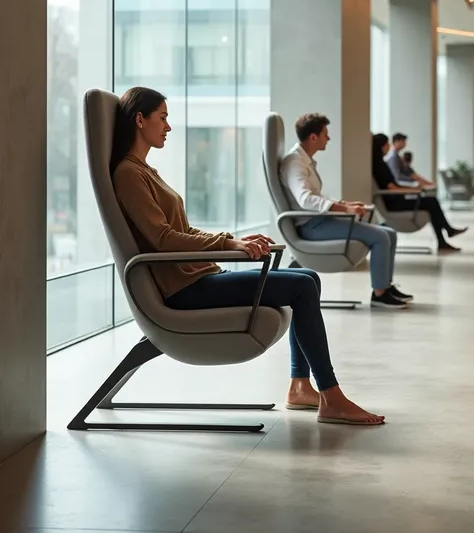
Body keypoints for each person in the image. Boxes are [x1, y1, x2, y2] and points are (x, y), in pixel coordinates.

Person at [110, 87, 385, 426]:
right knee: (302, 287)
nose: (168, 126)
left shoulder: (145, 170)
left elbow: (182, 229)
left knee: (308, 278)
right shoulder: (128, 174)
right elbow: (164, 240)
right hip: (186, 289)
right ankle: (332, 396)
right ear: (140, 119)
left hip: (199, 275)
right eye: (163, 118)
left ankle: (301, 386)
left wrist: (232, 240)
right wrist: (231, 246)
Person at [279, 113, 413, 310]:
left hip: (320, 221)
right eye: (326, 133)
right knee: (381, 236)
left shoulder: (303, 160)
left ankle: (385, 287)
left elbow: (314, 197)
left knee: (389, 234)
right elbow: (305, 199)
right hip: (312, 227)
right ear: (313, 137)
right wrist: (344, 208)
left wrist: (343, 203)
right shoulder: (295, 162)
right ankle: (380, 295)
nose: (329, 137)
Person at [372, 133, 467, 253]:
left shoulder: (380, 163)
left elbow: (394, 185)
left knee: (430, 202)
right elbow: (391, 188)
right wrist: (414, 189)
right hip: (394, 204)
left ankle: (445, 237)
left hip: (396, 200)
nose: (388, 146)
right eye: (386, 144)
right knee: (431, 201)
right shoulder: (380, 165)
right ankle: (446, 234)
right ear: (381, 146)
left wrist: (415, 189)